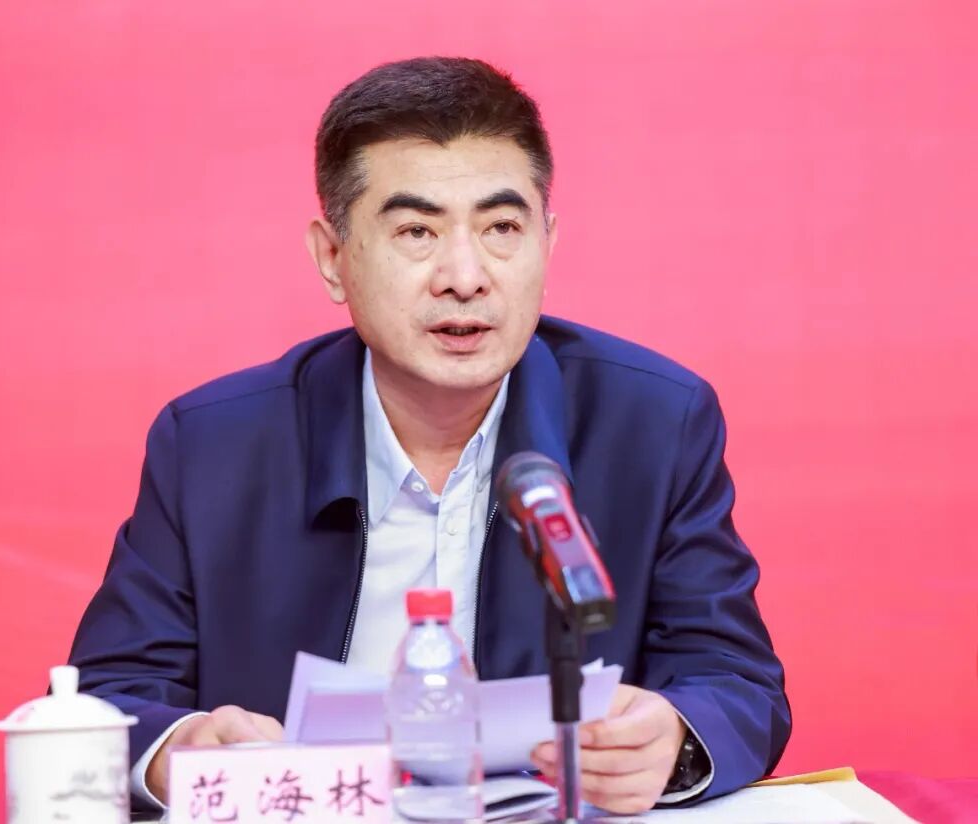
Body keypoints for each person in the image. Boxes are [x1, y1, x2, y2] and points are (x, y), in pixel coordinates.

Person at [68, 56, 790, 815]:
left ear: (547, 243)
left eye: (502, 228)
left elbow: (736, 681)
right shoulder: (214, 445)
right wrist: (175, 749)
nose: (465, 276)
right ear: (332, 259)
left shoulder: (655, 423)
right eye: (417, 231)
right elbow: (107, 698)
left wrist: (674, 736)